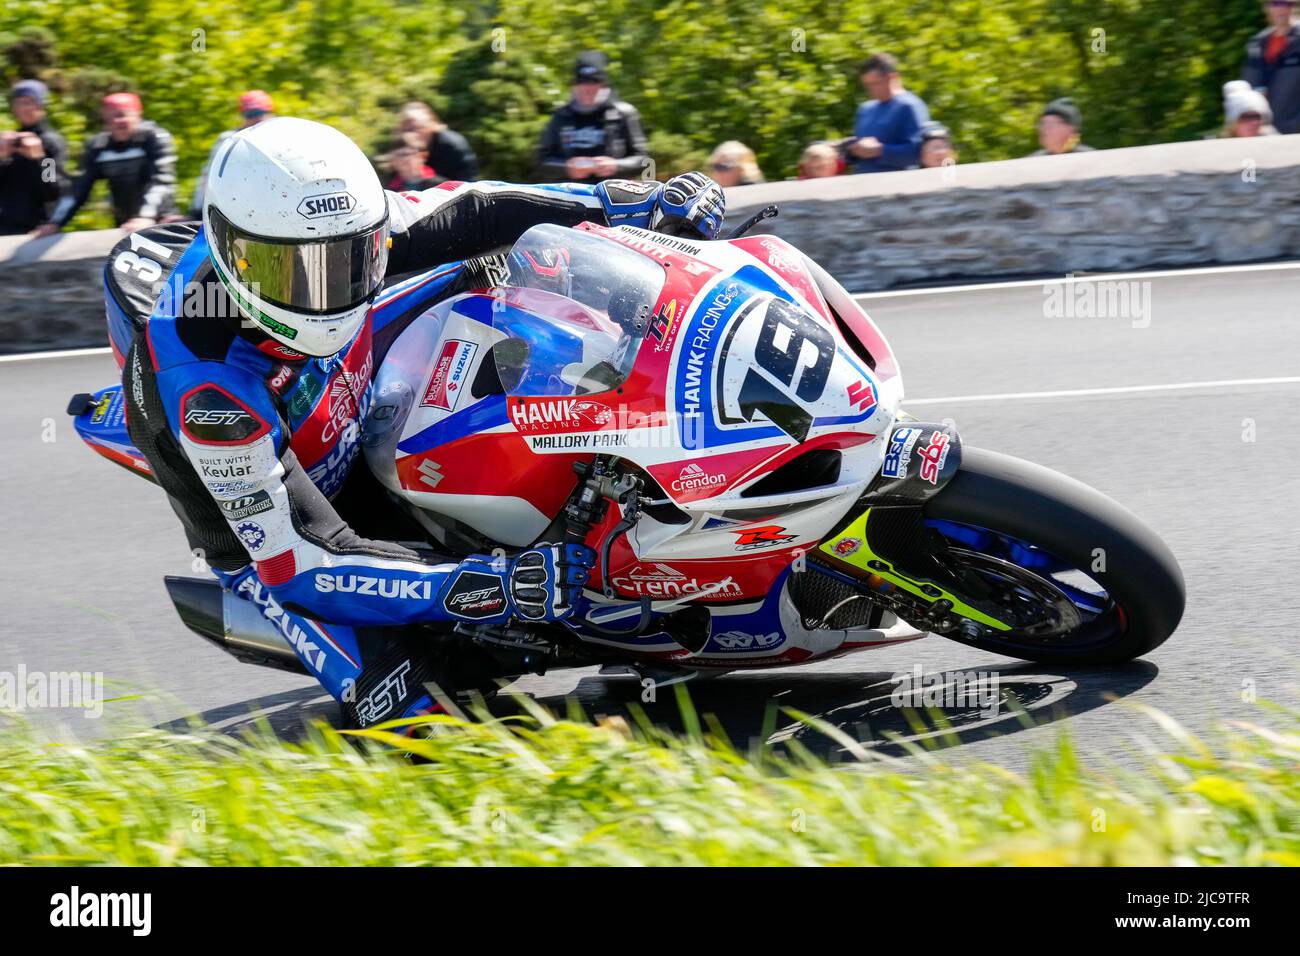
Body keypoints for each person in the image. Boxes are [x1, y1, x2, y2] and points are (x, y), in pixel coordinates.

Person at [117, 116, 724, 727]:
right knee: (431, 722)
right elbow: (300, 564)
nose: (326, 291)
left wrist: (629, 200)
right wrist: (494, 584)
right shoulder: (205, 388)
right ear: (234, 260)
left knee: (512, 285)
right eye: (293, 274)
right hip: (282, 540)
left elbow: (474, 209)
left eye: (349, 260)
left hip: (357, 411)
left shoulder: (342, 223)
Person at [33, 92, 176, 236]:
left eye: (123, 114)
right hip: (126, 225)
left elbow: (161, 181)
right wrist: (55, 222)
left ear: (138, 114)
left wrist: (147, 216)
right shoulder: (99, 145)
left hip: (160, 220)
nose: (118, 121)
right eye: (112, 116)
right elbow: (79, 188)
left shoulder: (154, 138)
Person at [538, 51, 651, 183]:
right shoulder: (561, 116)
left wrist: (616, 165)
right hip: (570, 196)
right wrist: (567, 168)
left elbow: (644, 160)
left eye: (594, 82)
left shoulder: (624, 114)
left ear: (603, 85)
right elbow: (542, 161)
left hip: (612, 197)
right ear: (574, 85)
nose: (588, 88)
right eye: (583, 82)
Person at [188, 90, 275, 220]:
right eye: (250, 114)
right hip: (239, 209)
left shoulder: (281, 138)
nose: (256, 119)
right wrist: (197, 210)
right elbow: (208, 175)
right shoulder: (229, 140)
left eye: (260, 113)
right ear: (243, 116)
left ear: (270, 113)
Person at [0, 79, 69, 235]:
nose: (24, 108)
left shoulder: (50, 142)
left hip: (37, 230)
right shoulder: (10, 142)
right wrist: (2, 157)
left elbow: (53, 190)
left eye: (29, 103)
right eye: (19, 103)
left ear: (41, 106)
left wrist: (39, 159)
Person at [848, 53, 931, 173]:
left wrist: (880, 150)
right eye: (867, 85)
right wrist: (852, 150)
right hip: (863, 185)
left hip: (896, 186)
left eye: (875, 83)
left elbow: (918, 153)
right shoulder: (866, 109)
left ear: (893, 77)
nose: (871, 89)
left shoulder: (909, 106)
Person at [1244, 0, 1300, 134]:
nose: (1280, 9)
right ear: (1267, 8)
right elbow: (1250, 87)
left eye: (1285, 4)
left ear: (1293, 8)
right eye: (1275, 4)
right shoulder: (1257, 43)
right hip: (1265, 131)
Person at [396, 101, 478, 182]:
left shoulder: (451, 145)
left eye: (416, 128)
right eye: (407, 129)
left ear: (430, 125)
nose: (411, 134)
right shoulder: (408, 147)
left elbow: (465, 179)